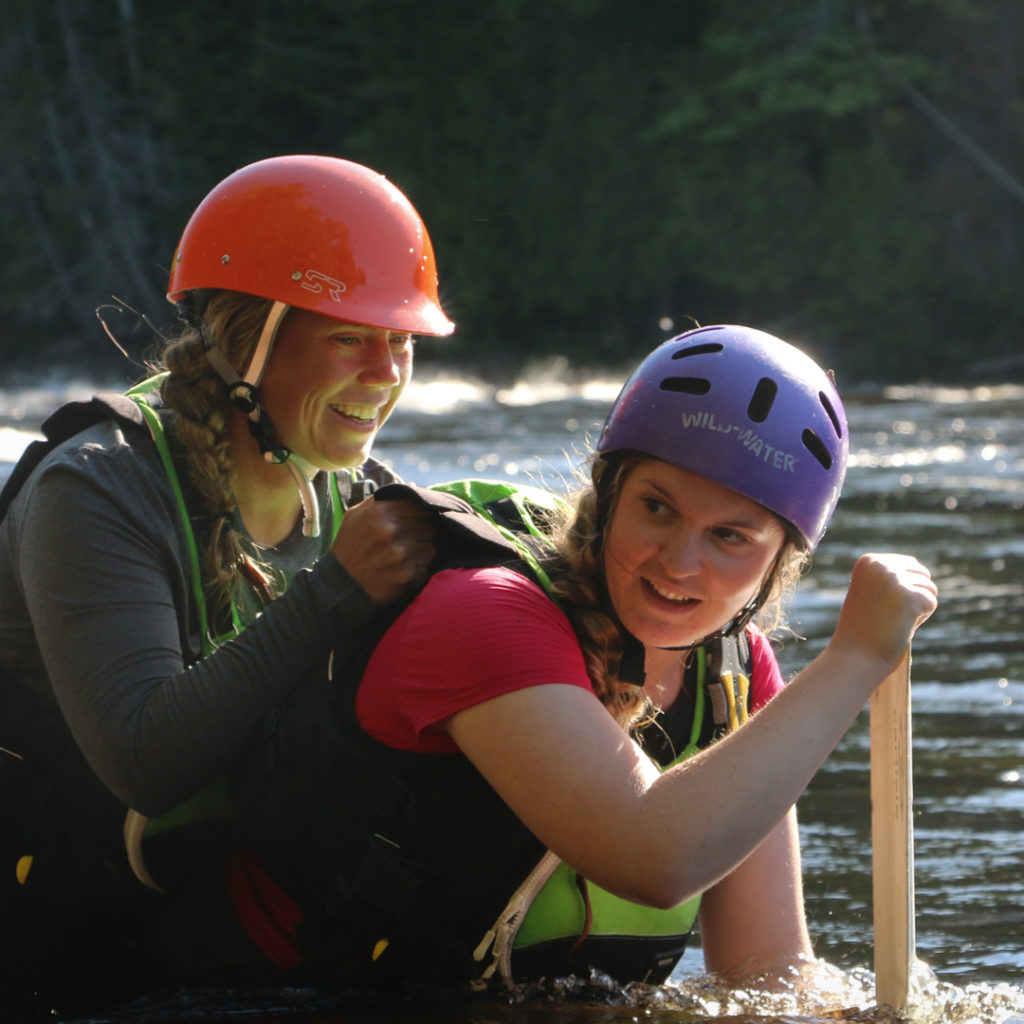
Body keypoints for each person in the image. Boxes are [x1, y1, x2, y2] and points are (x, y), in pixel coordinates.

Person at [223, 324, 940, 996]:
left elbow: (767, 972)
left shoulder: (736, 674)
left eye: (730, 537)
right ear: (607, 493)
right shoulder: (482, 613)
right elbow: (652, 855)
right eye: (656, 508)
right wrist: (855, 658)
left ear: (779, 564)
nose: (680, 563)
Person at [0, 154, 452, 1016]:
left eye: (403, 344)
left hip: (201, 945)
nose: (388, 372)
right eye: (352, 337)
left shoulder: (351, 493)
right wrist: (335, 593)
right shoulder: (95, 488)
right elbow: (147, 759)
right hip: (48, 955)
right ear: (248, 339)